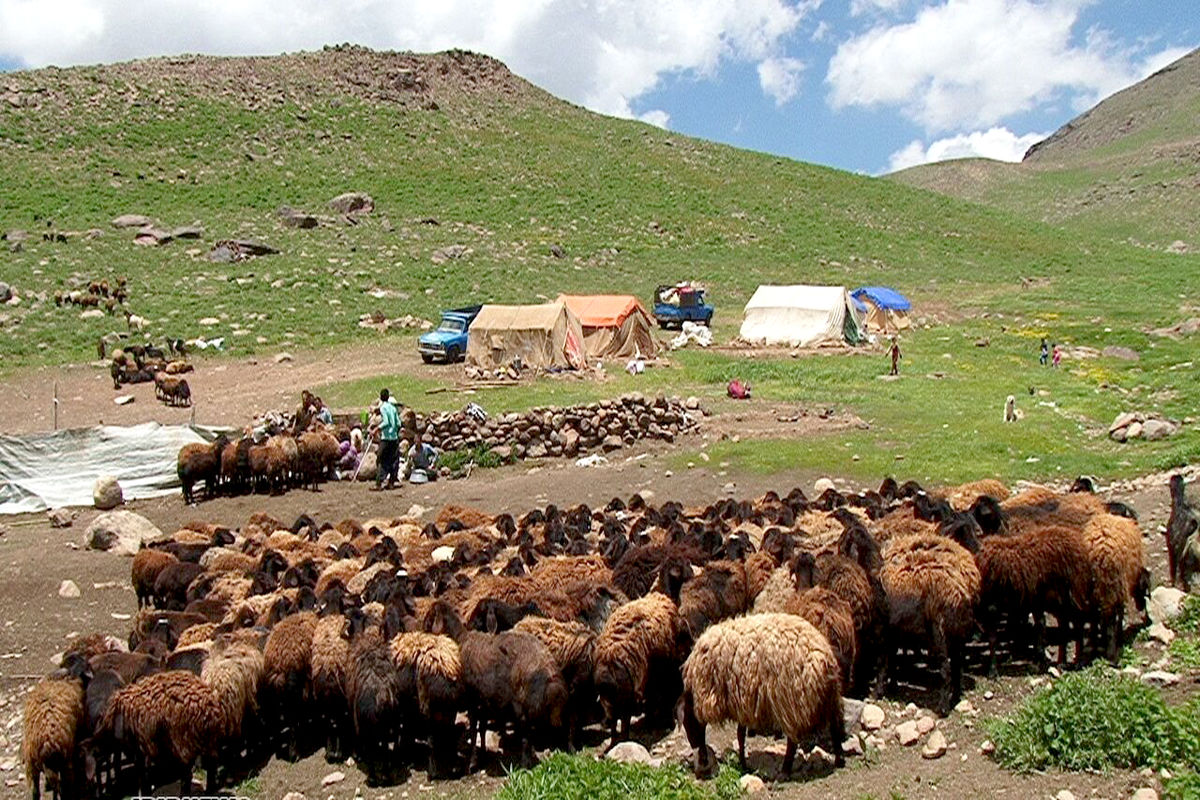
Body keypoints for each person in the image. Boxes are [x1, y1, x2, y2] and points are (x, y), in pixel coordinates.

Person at [371, 388, 400, 490]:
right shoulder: (393, 408)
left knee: (381, 459)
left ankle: (379, 483)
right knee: (393, 460)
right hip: (394, 438)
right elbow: (398, 423)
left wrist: (376, 429)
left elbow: (386, 422)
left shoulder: (383, 408)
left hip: (386, 438)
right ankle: (391, 482)